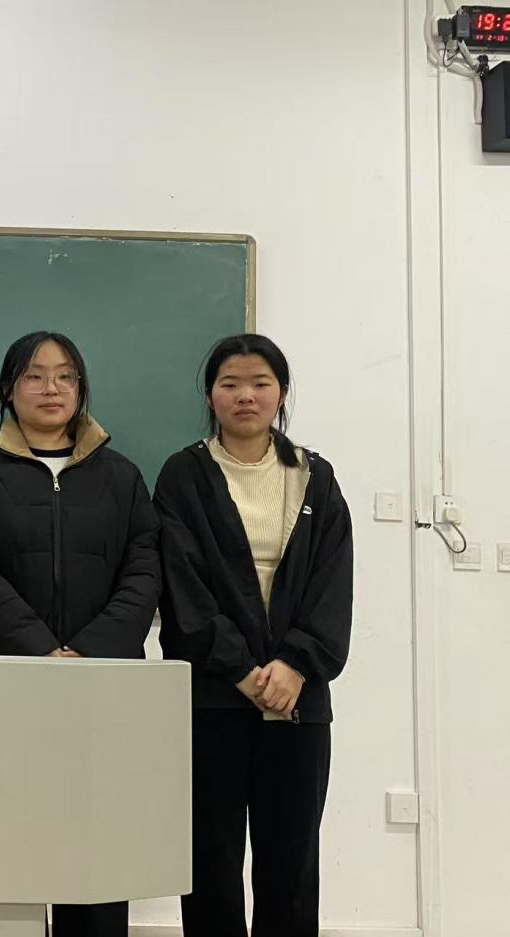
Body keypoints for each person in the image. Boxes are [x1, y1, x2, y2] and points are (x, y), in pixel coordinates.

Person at [0, 330, 159, 937]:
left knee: (96, 849)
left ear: (81, 388)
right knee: (2, 842)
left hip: (102, 688)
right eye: (34, 376)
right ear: (8, 390)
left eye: (65, 376)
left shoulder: (121, 475)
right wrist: (40, 650)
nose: (50, 388)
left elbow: (145, 570)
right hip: (2, 683)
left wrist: (86, 652)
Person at [153, 333, 353, 936]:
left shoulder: (315, 477)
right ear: (210, 395)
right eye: (230, 384)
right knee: (210, 864)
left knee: (291, 865)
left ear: (281, 393)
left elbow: (331, 581)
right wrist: (240, 669)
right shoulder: (184, 475)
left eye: (260, 383)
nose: (246, 395)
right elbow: (181, 585)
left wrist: (296, 663)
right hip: (214, 698)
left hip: (297, 700)